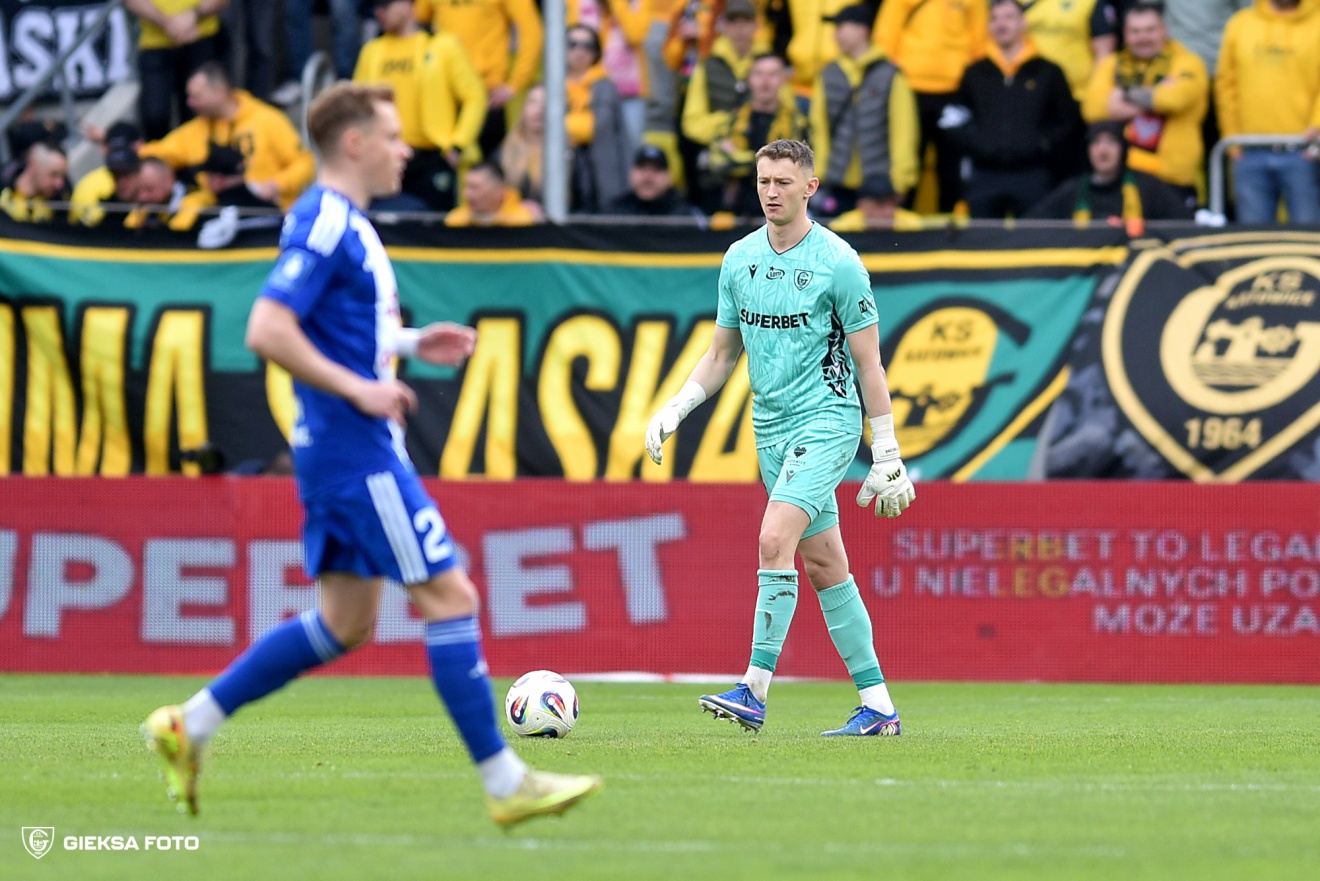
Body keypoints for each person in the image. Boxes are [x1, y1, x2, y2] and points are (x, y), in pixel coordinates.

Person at [141, 82, 602, 826]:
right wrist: (362, 388)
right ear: (354, 143)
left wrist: (411, 343)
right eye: (391, 135)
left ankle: (188, 724)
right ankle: (506, 783)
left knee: (345, 622)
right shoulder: (327, 218)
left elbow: (332, 327)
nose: (405, 149)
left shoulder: (346, 222)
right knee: (451, 597)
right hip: (357, 451)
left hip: (336, 450)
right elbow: (268, 327)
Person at [644, 138, 915, 737]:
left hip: (828, 420)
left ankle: (754, 689)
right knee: (825, 565)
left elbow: (870, 363)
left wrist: (887, 449)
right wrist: (677, 406)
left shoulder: (839, 263)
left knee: (774, 539)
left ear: (810, 188)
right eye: (764, 181)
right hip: (769, 428)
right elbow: (722, 353)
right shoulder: (739, 259)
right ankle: (879, 708)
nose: (771, 192)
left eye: (783, 182)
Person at [942, 0, 1081, 219]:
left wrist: (1042, 145)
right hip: (985, 174)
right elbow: (953, 118)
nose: (1001, 24)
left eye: (1008, 17)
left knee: (1035, 235)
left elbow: (1067, 122)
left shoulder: (1048, 72)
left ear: (1023, 23)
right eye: (995, 19)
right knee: (981, 237)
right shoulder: (975, 73)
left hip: (1033, 174)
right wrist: (978, 144)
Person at [354, 0, 487, 212]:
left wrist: (458, 145)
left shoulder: (442, 46)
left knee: (434, 224)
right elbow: (357, 105)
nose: (379, 12)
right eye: (376, 7)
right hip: (385, 157)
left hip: (431, 156)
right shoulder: (372, 51)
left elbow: (475, 96)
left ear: (407, 5)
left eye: (386, 5)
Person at [140, 61, 316, 218]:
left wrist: (277, 185)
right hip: (220, 218)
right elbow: (162, 152)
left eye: (196, 96)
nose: (190, 103)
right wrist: (136, 150)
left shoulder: (268, 120)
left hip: (270, 216)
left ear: (218, 92)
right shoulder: (197, 129)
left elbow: (305, 163)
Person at [1082, 0, 1207, 209]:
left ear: (1164, 30)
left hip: (1173, 177)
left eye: (1150, 30)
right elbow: (1092, 109)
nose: (1143, 37)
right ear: (1125, 34)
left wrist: (1122, 95)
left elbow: (1175, 100)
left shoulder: (1188, 62)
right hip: (1124, 177)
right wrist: (1155, 95)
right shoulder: (1111, 64)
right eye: (1135, 31)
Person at [875, 0, 986, 212]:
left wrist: (972, 81)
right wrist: (892, 77)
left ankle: (951, 223)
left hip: (955, 90)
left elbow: (980, 41)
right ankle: (903, 221)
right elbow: (885, 37)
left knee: (952, 166)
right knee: (906, 161)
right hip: (909, 88)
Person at [810, 3, 920, 218]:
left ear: (862, 30)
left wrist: (900, 180)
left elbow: (904, 130)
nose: (836, 35)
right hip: (837, 183)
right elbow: (818, 128)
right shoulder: (828, 75)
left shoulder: (890, 75)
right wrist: (818, 175)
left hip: (879, 186)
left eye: (841, 27)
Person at [1216, 0, 1320, 225]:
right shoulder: (1241, 23)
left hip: (1303, 151)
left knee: (1309, 237)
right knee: (1254, 237)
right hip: (1250, 151)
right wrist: (1232, 140)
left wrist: (1317, 127)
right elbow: (1226, 86)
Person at [415, 0, 544, 160]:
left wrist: (515, 84)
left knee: (490, 166)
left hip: (488, 92)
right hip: (444, 94)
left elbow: (531, 30)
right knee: (440, 163)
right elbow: (416, 16)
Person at [1025, 120, 1194, 227]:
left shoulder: (1148, 186)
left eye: (1111, 142)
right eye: (1096, 143)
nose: (1103, 150)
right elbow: (1031, 225)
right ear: (1087, 151)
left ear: (1123, 150)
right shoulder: (1072, 190)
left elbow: (1184, 223)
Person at [705, 52, 810, 217]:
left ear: (784, 79)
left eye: (773, 74)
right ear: (749, 79)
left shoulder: (797, 124)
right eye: (758, 74)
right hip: (734, 212)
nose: (765, 81)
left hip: (782, 213)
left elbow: (795, 170)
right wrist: (770, 162)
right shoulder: (731, 122)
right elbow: (719, 162)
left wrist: (740, 159)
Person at [125, 0, 230, 141]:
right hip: (154, 44)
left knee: (200, 114)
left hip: (202, 38)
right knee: (154, 116)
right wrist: (168, 22)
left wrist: (193, 15)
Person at [567, 24, 631, 212]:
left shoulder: (605, 86)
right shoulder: (552, 84)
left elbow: (597, 127)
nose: (580, 51)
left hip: (600, 170)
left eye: (587, 46)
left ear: (596, 52)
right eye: (572, 44)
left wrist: (563, 126)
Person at [607, 144, 706, 220]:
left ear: (669, 178)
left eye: (656, 170)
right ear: (631, 174)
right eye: (642, 169)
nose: (648, 177)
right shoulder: (614, 212)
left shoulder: (686, 217)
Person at [444, 160, 538, 226]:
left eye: (475, 187)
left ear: (499, 190)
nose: (466, 194)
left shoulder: (523, 222)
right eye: (466, 187)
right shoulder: (456, 221)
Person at [0, 142, 69, 223]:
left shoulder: (60, 206)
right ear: (32, 164)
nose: (59, 184)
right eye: (53, 174)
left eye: (63, 176)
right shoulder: (4, 188)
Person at [828, 174, 926, 231]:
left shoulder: (913, 226)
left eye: (892, 204)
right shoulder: (843, 228)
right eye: (880, 205)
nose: (888, 212)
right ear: (862, 206)